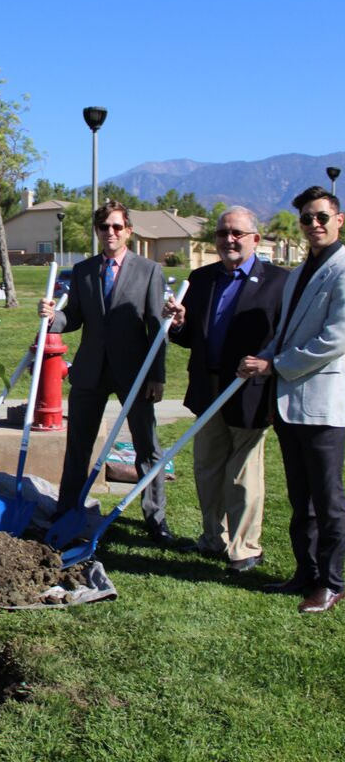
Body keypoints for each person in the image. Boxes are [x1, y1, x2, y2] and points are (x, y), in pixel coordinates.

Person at [39, 200, 177, 545]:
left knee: (147, 446)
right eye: (104, 227)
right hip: (90, 373)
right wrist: (52, 318)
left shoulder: (148, 270)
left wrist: (157, 376)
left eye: (117, 226)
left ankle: (155, 518)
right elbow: (76, 318)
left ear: (128, 230)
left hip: (135, 372)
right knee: (78, 446)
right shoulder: (84, 270)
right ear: (98, 232)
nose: (110, 232)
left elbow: (156, 326)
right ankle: (68, 508)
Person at [239, 185, 345, 613]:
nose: (314, 224)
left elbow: (334, 339)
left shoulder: (341, 268)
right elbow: (284, 333)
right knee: (300, 499)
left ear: (339, 220)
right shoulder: (299, 273)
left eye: (321, 216)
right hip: (289, 404)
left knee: (328, 499)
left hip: (323, 403)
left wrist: (275, 367)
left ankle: (333, 582)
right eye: (307, 218)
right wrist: (261, 359)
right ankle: (306, 573)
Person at [164, 207, 287, 572]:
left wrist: (269, 369)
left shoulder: (279, 282)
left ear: (255, 239)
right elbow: (188, 339)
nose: (228, 240)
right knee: (207, 468)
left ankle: (245, 547)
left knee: (243, 473)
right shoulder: (201, 279)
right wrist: (179, 324)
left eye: (236, 233)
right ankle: (211, 539)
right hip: (207, 387)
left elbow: (285, 338)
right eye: (222, 233)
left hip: (250, 389)